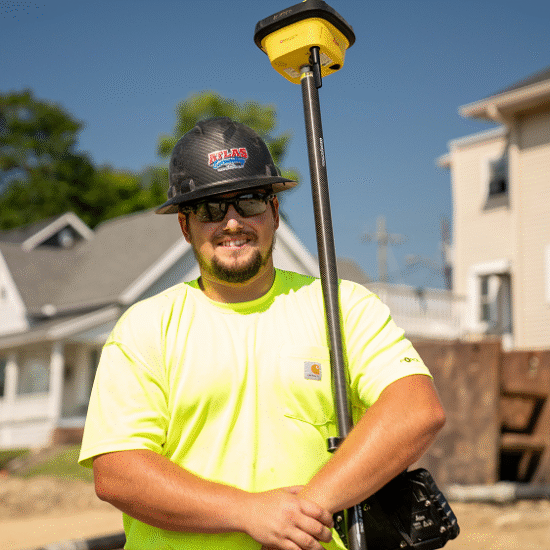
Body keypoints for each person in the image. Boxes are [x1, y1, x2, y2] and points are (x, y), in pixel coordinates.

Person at [79, 117, 446, 550]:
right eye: (211, 209)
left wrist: (302, 510)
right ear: (185, 226)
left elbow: (416, 409)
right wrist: (247, 511)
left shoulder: (341, 305)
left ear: (273, 212)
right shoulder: (145, 327)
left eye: (249, 201)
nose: (232, 222)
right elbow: (118, 471)